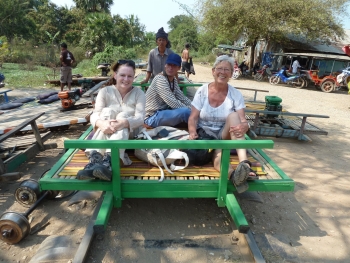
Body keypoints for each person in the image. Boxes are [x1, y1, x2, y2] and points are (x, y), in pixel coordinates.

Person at [188, 55, 258, 193]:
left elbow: (242, 120)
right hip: (205, 134)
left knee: (233, 116)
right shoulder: (202, 91)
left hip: (223, 134)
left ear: (231, 73)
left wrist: (245, 125)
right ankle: (234, 176)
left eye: (227, 69)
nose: (223, 72)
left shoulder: (235, 94)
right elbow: (193, 117)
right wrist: (192, 131)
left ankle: (244, 163)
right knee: (218, 156)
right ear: (213, 71)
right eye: (220, 68)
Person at [77, 60, 146, 181]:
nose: (126, 79)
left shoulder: (139, 93)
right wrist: (101, 124)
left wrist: (123, 123)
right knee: (107, 112)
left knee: (123, 115)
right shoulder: (105, 91)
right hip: (106, 131)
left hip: (129, 135)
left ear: (133, 77)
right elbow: (95, 114)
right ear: (115, 75)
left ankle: (109, 160)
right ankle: (96, 160)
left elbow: (140, 118)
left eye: (130, 76)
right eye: (122, 75)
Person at [144, 53, 192, 128]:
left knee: (189, 111)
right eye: (169, 65)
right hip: (151, 117)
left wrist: (195, 107)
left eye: (174, 65)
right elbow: (173, 103)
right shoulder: (160, 79)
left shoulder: (174, 80)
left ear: (179, 68)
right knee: (185, 112)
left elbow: (182, 98)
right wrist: (192, 110)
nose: (171, 68)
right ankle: (201, 130)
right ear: (165, 65)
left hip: (161, 112)